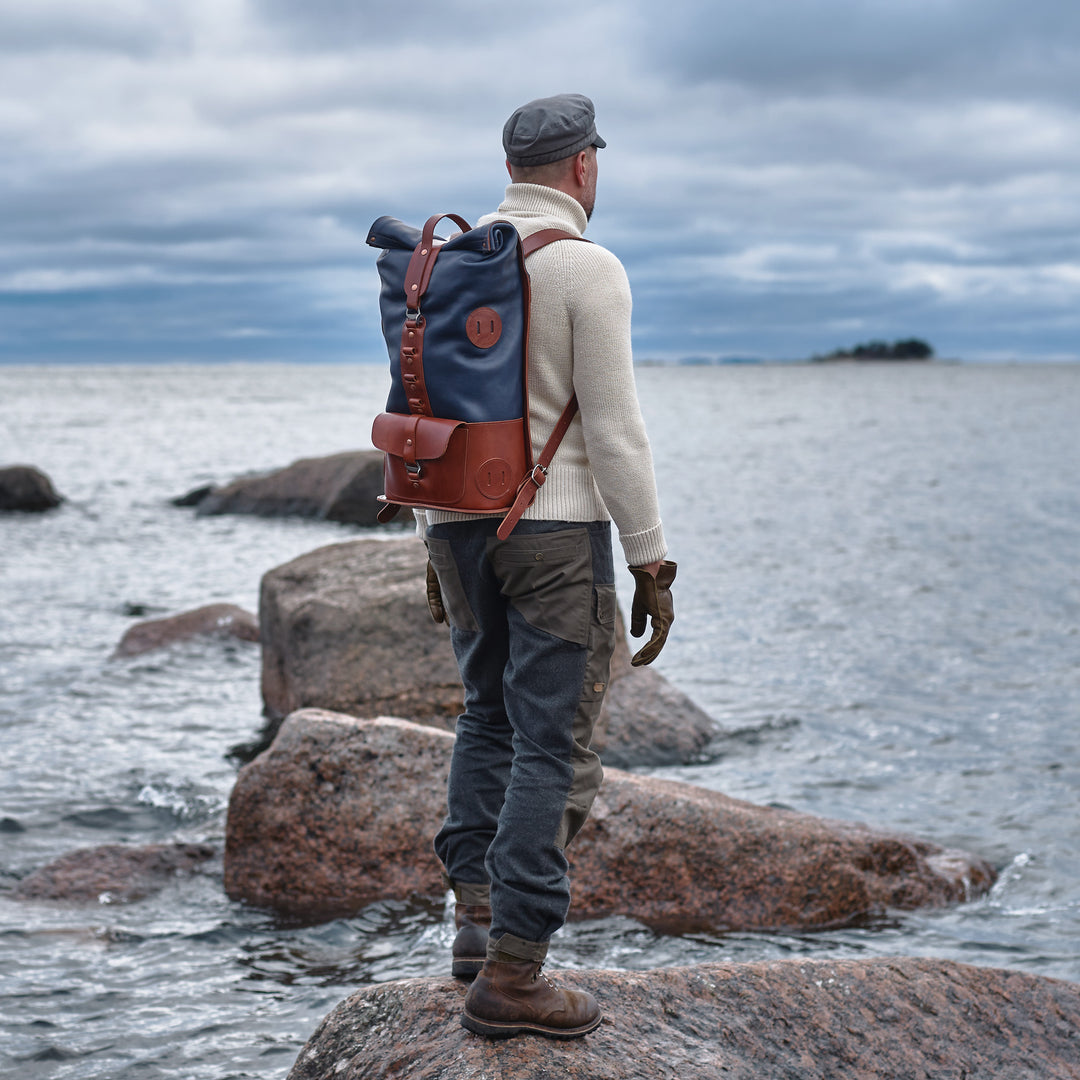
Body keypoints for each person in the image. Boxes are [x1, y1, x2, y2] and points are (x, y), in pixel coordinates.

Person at [422, 92, 676, 1040]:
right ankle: (517, 975)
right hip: (556, 536)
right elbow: (614, 433)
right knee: (554, 744)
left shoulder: (447, 264)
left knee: (484, 717)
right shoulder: (585, 268)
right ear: (582, 168)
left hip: (455, 528)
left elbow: (429, 410)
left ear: (509, 168)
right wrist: (651, 560)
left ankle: (475, 923)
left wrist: (432, 540)